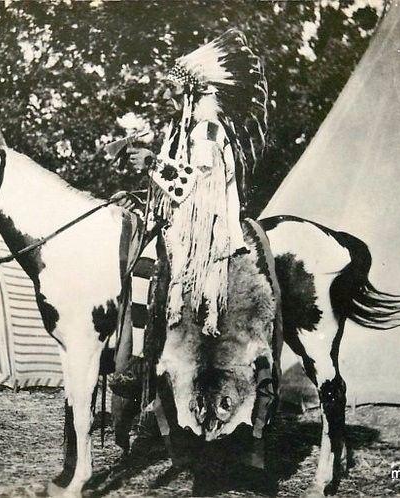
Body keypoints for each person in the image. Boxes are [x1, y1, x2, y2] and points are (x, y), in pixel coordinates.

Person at [107, 29, 272, 462]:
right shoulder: (196, 127)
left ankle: (139, 357)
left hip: (205, 238)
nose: (174, 95)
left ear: (195, 91)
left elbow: (198, 188)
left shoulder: (206, 129)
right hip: (188, 226)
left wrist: (151, 165)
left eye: (179, 89)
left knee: (142, 271)